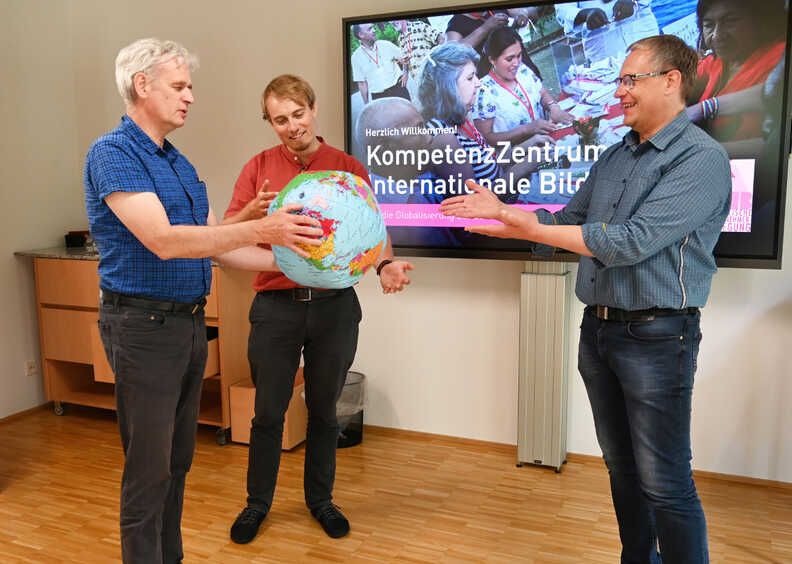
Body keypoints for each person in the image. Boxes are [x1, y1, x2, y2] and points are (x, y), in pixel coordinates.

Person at [441, 35, 732, 563]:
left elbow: (629, 243)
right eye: (620, 80)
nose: (618, 91)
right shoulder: (618, 155)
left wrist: (527, 225)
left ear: (672, 81)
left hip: (659, 337)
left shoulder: (701, 159)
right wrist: (509, 222)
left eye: (629, 80)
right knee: (622, 469)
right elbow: (568, 223)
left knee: (665, 480)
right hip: (597, 331)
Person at [84, 39, 323, 564]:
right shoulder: (113, 152)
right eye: (179, 86)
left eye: (190, 86)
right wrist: (265, 227)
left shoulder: (178, 163)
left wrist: (312, 267)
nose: (190, 96)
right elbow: (166, 242)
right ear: (141, 86)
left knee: (177, 462)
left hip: (188, 326)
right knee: (149, 471)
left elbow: (217, 246)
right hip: (142, 326)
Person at [225, 74, 413, 544]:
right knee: (267, 412)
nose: (291, 127)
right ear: (270, 123)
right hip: (275, 307)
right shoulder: (258, 169)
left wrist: (385, 264)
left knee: (326, 412)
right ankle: (256, 505)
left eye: (298, 114)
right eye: (279, 120)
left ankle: (321, 501)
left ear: (313, 109)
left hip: (334, 309)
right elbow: (228, 233)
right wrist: (255, 223)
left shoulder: (347, 166)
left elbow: (372, 228)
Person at [417, 42, 553, 204]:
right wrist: (527, 164)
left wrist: (529, 144)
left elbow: (490, 161)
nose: (478, 83)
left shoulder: (457, 117)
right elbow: (477, 203)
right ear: (446, 88)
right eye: (469, 78)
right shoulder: (443, 137)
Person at [687, 0, 787, 156]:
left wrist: (699, 152)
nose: (717, 36)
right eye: (709, 25)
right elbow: (684, 84)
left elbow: (777, 146)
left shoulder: (780, 63)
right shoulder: (719, 61)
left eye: (730, 22)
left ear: (758, 21)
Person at [472, 28, 573, 148]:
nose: (516, 63)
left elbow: (542, 93)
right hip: (521, 156)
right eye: (509, 59)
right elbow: (487, 138)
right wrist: (527, 129)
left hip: (548, 140)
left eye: (519, 55)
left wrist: (553, 107)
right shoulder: (483, 92)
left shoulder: (523, 70)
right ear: (492, 60)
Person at [351, 23, 409, 104]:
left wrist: (405, 73)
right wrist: (367, 104)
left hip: (399, 89)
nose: (374, 30)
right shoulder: (356, 57)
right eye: (369, 29)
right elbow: (361, 83)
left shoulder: (386, 44)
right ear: (361, 35)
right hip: (379, 97)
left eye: (373, 27)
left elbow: (405, 57)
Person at [391, 19, 445, 106]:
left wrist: (439, 58)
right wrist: (405, 73)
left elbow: (441, 38)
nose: (393, 22)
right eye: (390, 21)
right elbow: (406, 59)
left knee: (445, 104)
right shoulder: (400, 39)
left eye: (394, 19)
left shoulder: (418, 25)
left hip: (433, 77)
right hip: (419, 82)